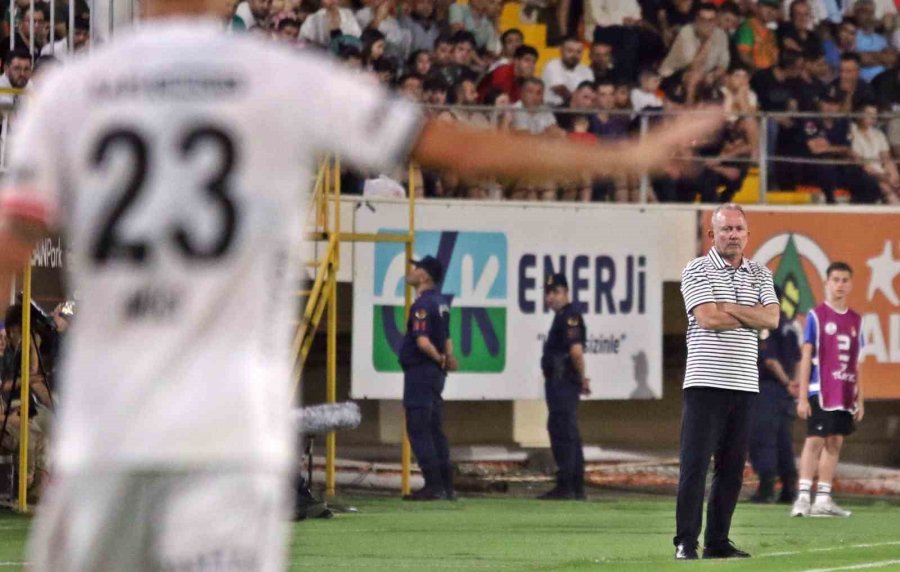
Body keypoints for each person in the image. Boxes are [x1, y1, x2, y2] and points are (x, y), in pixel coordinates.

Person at [0, 0, 723, 563]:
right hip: (224, 432)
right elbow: (457, 149)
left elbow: (11, 247)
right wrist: (623, 156)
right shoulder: (277, 76)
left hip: (106, 429)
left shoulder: (71, 91)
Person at [675, 204, 779, 560]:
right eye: (725, 229)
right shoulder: (696, 269)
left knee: (732, 470)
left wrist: (729, 307)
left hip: (745, 384)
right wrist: (752, 315)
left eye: (738, 229)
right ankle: (686, 541)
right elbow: (708, 319)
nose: (732, 235)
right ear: (712, 234)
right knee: (694, 465)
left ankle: (717, 541)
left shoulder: (761, 272)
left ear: (747, 234)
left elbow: (773, 319)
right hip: (705, 381)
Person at [791, 262, 864, 518]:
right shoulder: (817, 316)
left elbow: (857, 362)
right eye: (836, 279)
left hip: (844, 393)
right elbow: (806, 356)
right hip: (820, 390)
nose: (840, 285)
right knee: (815, 440)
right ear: (827, 283)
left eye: (845, 280)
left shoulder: (856, 320)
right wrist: (802, 397)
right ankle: (802, 497)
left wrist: (860, 398)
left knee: (835, 442)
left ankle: (823, 498)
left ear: (850, 284)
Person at [398, 256, 455, 500]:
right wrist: (446, 359)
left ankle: (434, 485)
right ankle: (446, 486)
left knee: (419, 428)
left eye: (416, 268)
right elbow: (447, 339)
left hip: (421, 372)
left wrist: (438, 358)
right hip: (435, 375)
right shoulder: (441, 303)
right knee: (434, 428)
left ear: (424, 276)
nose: (411, 271)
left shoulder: (421, 305)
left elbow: (422, 342)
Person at [538, 273, 588, 500]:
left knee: (562, 431)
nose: (550, 297)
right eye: (548, 293)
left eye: (555, 292)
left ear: (566, 292)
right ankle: (573, 486)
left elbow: (576, 352)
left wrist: (582, 377)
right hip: (561, 381)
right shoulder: (562, 316)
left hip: (562, 381)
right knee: (566, 430)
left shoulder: (570, 316)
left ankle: (568, 485)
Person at [748, 288, 800, 504]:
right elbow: (798, 358)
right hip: (785, 393)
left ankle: (766, 488)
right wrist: (793, 384)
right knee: (783, 440)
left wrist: (786, 381)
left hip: (768, 390)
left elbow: (770, 360)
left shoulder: (767, 326)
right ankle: (789, 489)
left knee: (763, 439)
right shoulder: (789, 325)